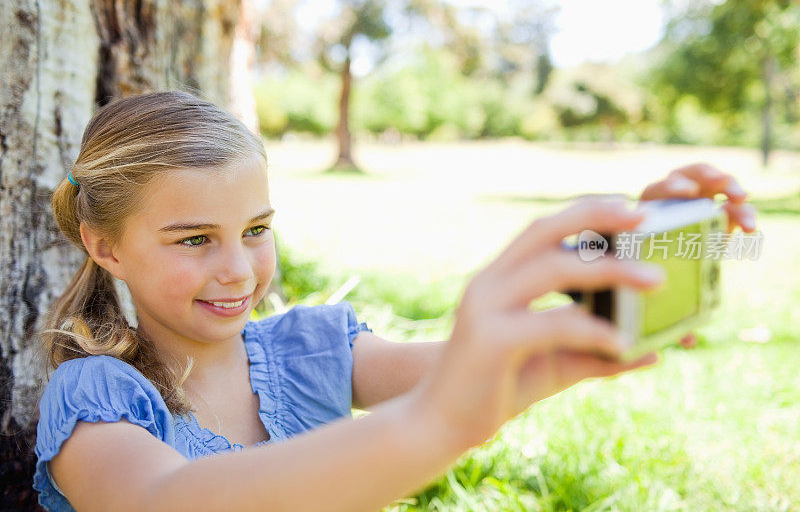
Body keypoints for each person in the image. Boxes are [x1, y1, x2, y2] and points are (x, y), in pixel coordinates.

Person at [32, 91, 757, 511]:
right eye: (194, 240)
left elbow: (485, 368)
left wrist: (622, 265)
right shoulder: (98, 397)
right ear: (106, 245)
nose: (237, 270)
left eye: (256, 230)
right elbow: (170, 502)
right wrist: (432, 422)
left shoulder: (308, 350)